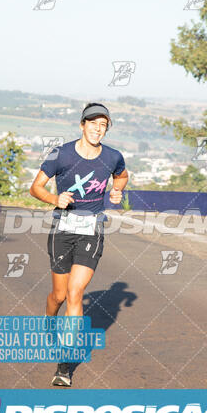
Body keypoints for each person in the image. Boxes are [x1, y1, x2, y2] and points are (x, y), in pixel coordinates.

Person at [30, 102, 128, 386]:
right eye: (93, 123)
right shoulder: (61, 154)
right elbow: (35, 187)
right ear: (82, 125)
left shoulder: (112, 156)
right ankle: (49, 322)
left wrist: (117, 191)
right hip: (62, 229)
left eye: (103, 125)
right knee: (58, 296)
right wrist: (53, 199)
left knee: (75, 292)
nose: (98, 129)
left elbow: (121, 175)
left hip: (91, 229)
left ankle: (64, 366)